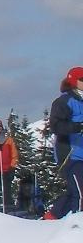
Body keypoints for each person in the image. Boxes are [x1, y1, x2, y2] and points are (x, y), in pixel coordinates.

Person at [45, 66, 83, 220]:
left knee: (73, 192)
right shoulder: (64, 101)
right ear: (74, 81)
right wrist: (78, 126)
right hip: (70, 155)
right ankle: (78, 227)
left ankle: (50, 218)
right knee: (81, 192)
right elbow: (55, 126)